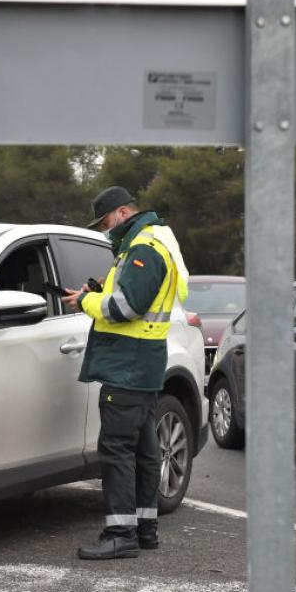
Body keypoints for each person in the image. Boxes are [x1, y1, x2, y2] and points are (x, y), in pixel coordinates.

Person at [61, 186, 188, 560]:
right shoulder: (151, 242)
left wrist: (86, 300)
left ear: (120, 213)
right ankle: (145, 528)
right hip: (143, 363)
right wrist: (97, 290)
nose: (105, 230)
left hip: (127, 366)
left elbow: (126, 307)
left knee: (116, 450)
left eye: (105, 221)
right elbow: (129, 296)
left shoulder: (143, 249)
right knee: (146, 450)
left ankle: (120, 533)